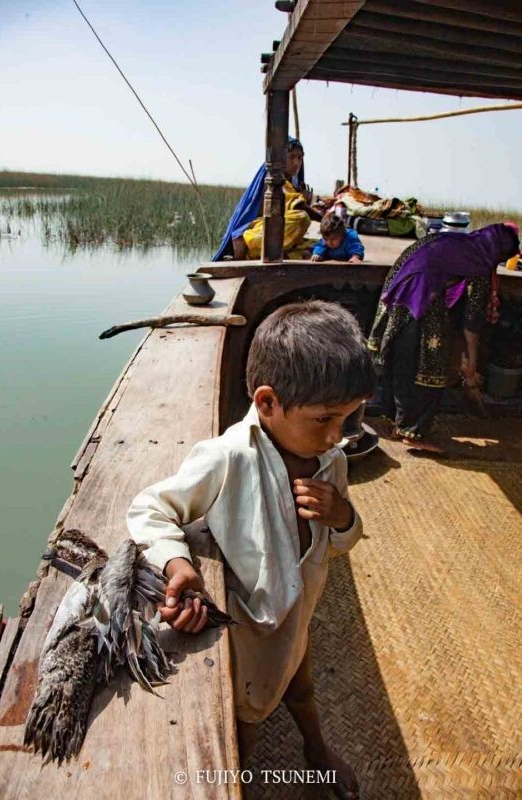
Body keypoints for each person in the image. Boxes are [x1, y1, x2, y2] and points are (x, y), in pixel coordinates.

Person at [127, 300, 377, 799]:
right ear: (266, 403)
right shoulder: (227, 458)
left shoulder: (330, 463)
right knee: (245, 721)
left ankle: (314, 751)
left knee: (301, 685)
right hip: (248, 629)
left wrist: (342, 517)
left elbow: (344, 541)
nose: (336, 437)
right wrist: (178, 565)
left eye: (349, 419)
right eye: (325, 419)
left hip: (299, 611)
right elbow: (150, 508)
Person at [368, 222, 520, 453]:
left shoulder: (456, 242)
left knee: (402, 359)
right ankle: (413, 432)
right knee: (431, 368)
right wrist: (471, 362)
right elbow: (472, 319)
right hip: (421, 296)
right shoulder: (480, 260)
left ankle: (395, 422)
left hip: (398, 294)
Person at [212, 137, 321, 262]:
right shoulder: (275, 178)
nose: (297, 163)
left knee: (317, 246)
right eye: (291, 157)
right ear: (280, 159)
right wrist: (322, 219)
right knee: (302, 218)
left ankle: (284, 252)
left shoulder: (291, 182)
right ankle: (250, 246)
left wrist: (305, 200)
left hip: (273, 230)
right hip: (254, 231)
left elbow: (288, 208)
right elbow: (298, 207)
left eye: (300, 158)